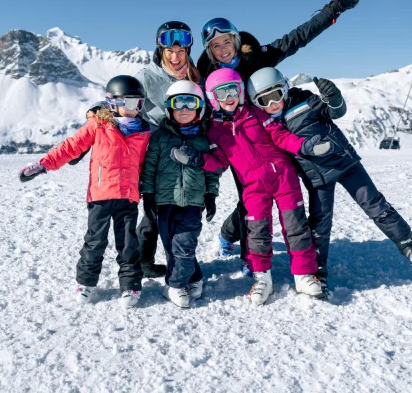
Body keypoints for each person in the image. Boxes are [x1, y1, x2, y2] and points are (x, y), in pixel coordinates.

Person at [196, 0, 365, 273]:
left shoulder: (258, 58)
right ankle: (245, 252)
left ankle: (302, 249)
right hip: (241, 143)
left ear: (236, 40)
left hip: (277, 133)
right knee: (250, 199)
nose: (222, 49)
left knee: (290, 190)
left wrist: (333, 10)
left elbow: (297, 38)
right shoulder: (209, 78)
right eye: (215, 46)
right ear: (210, 53)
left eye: (226, 41)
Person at [246, 67, 412, 293]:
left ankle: (407, 244)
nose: (273, 103)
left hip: (344, 162)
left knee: (374, 203)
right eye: (264, 100)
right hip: (317, 177)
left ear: (285, 88)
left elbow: (334, 112)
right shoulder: (268, 125)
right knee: (319, 224)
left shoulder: (303, 99)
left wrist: (333, 100)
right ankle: (317, 271)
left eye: (276, 94)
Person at [170, 69, 329, 305]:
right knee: (257, 232)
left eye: (233, 90)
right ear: (214, 99)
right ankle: (262, 277)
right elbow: (220, 163)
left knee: (296, 226)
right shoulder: (214, 129)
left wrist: (303, 146)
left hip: (283, 176)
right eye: (221, 94)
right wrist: (198, 159)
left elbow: (281, 136)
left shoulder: (255, 113)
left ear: (241, 91)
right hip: (253, 186)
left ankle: (304, 274)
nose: (229, 97)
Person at [18, 75, 150, 308]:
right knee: (95, 241)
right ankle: (86, 282)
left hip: (128, 196)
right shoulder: (99, 126)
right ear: (111, 102)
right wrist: (44, 164)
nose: (133, 110)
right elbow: (71, 146)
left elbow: (149, 165)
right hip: (100, 195)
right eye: (128, 103)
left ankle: (130, 285)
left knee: (129, 243)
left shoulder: (144, 133)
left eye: (138, 103)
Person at [139, 81, 219, 307]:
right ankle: (194, 276)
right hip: (164, 202)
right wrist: (148, 195)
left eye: (190, 103)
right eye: (178, 103)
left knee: (184, 244)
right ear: (169, 107)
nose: (184, 109)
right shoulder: (161, 138)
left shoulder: (203, 140)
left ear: (199, 108)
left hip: (193, 202)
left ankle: (175, 285)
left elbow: (211, 171)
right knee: (171, 246)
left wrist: (211, 195)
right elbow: (149, 168)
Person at [133, 21, 203, 278]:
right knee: (154, 211)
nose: (175, 57)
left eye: (181, 52)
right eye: (170, 52)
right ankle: (143, 260)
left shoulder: (194, 76)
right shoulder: (147, 76)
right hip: (156, 151)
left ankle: (181, 260)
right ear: (160, 51)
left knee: (181, 208)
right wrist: (98, 110)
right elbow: (123, 96)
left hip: (185, 153)